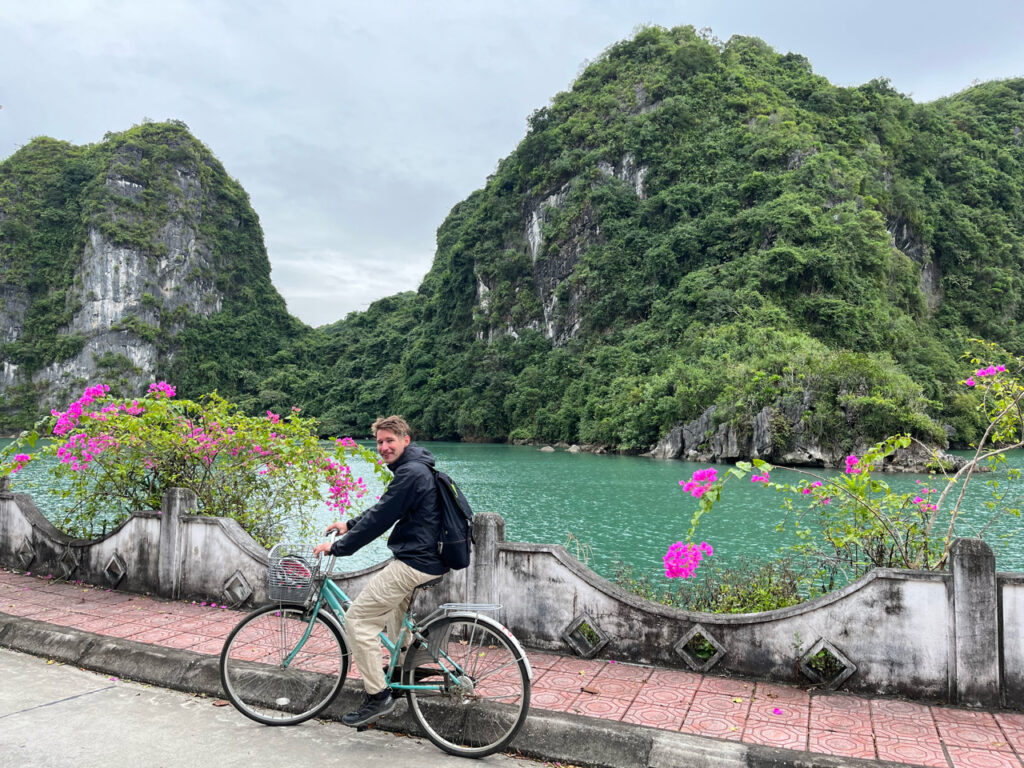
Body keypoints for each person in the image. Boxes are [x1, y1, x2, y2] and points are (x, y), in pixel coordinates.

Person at [313, 415, 446, 727]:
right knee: (393, 619)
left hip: (415, 562)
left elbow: (381, 520)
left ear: (405, 441)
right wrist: (348, 525)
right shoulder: (414, 468)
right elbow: (383, 509)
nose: (384, 447)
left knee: (358, 620)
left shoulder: (410, 472)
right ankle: (406, 666)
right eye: (380, 442)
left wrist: (339, 547)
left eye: (390, 441)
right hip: (423, 558)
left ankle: (377, 696)